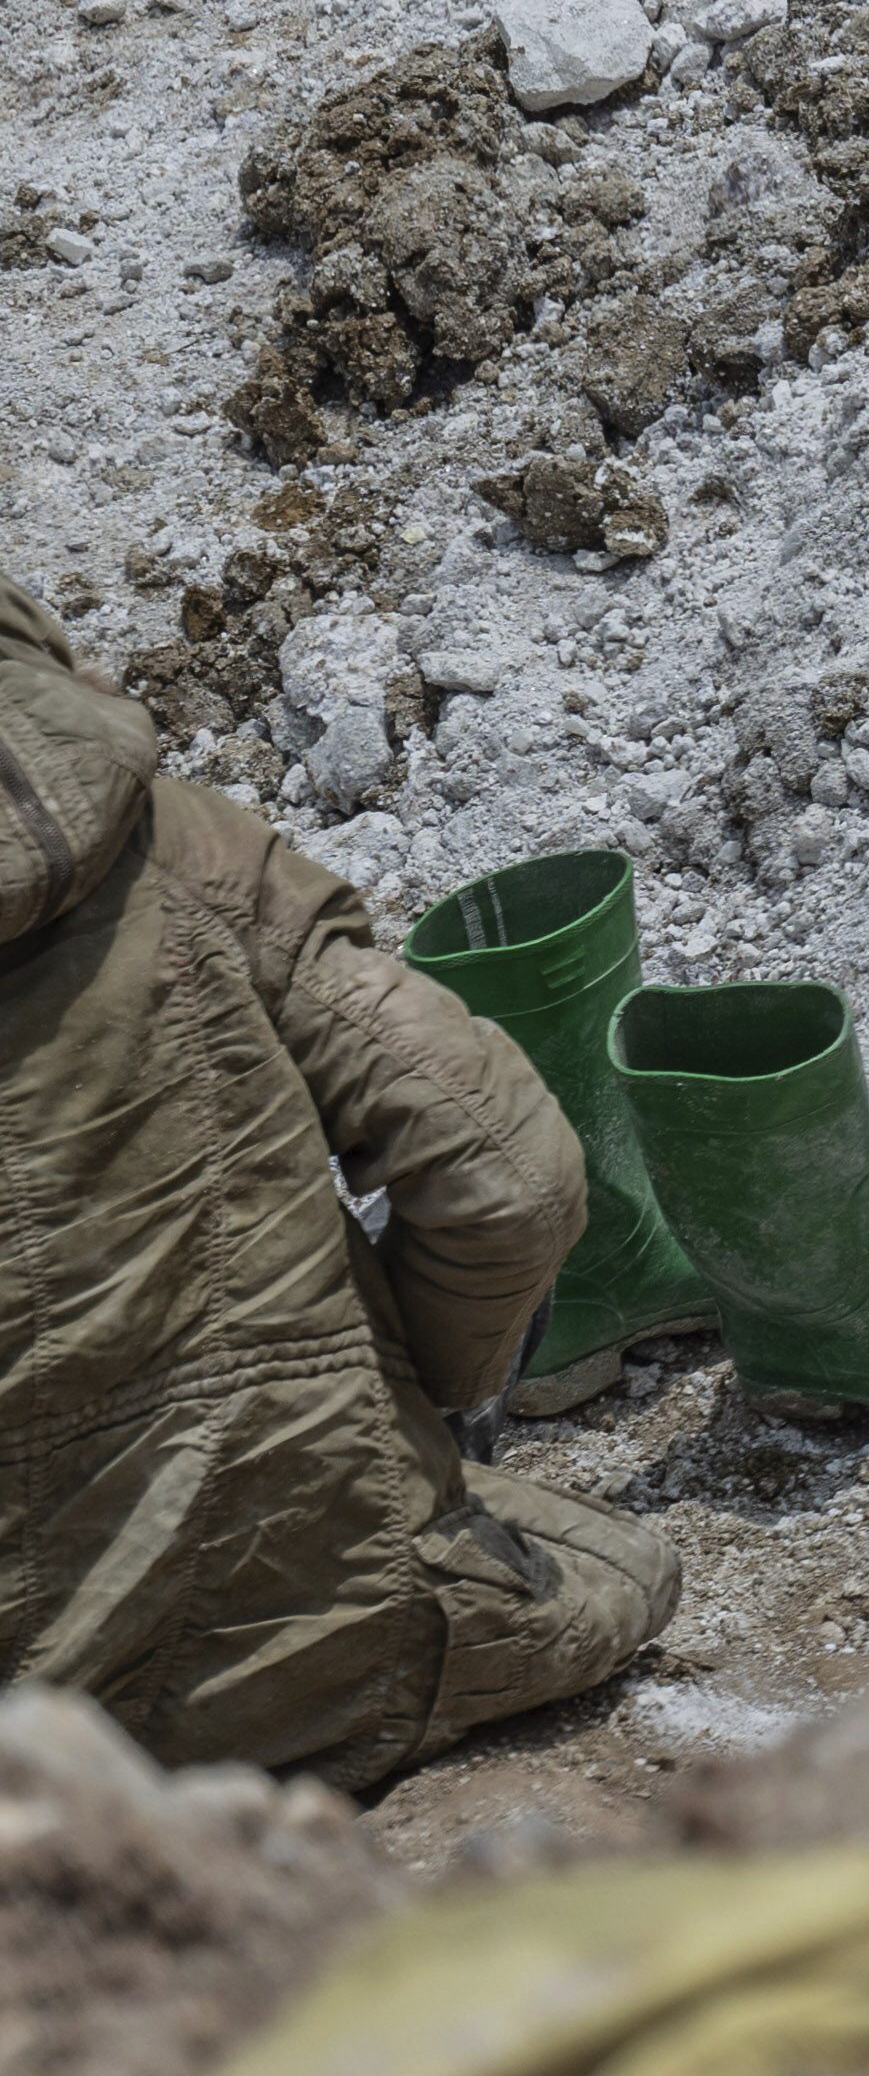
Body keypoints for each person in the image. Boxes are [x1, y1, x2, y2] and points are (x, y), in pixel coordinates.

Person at [2, 577, 679, 1784]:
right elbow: (512, 1178)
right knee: (620, 1567)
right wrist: (443, 1390)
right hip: (310, 1663)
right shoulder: (178, 853)